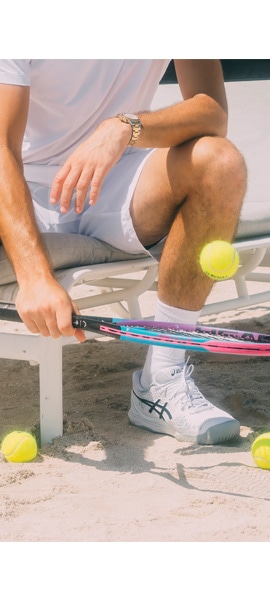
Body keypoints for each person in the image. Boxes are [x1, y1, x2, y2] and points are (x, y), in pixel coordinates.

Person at [0, 59, 247, 445]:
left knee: (219, 162)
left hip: (118, 181)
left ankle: (161, 381)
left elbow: (212, 112)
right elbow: (1, 147)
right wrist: (34, 278)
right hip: (22, 185)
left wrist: (125, 127)